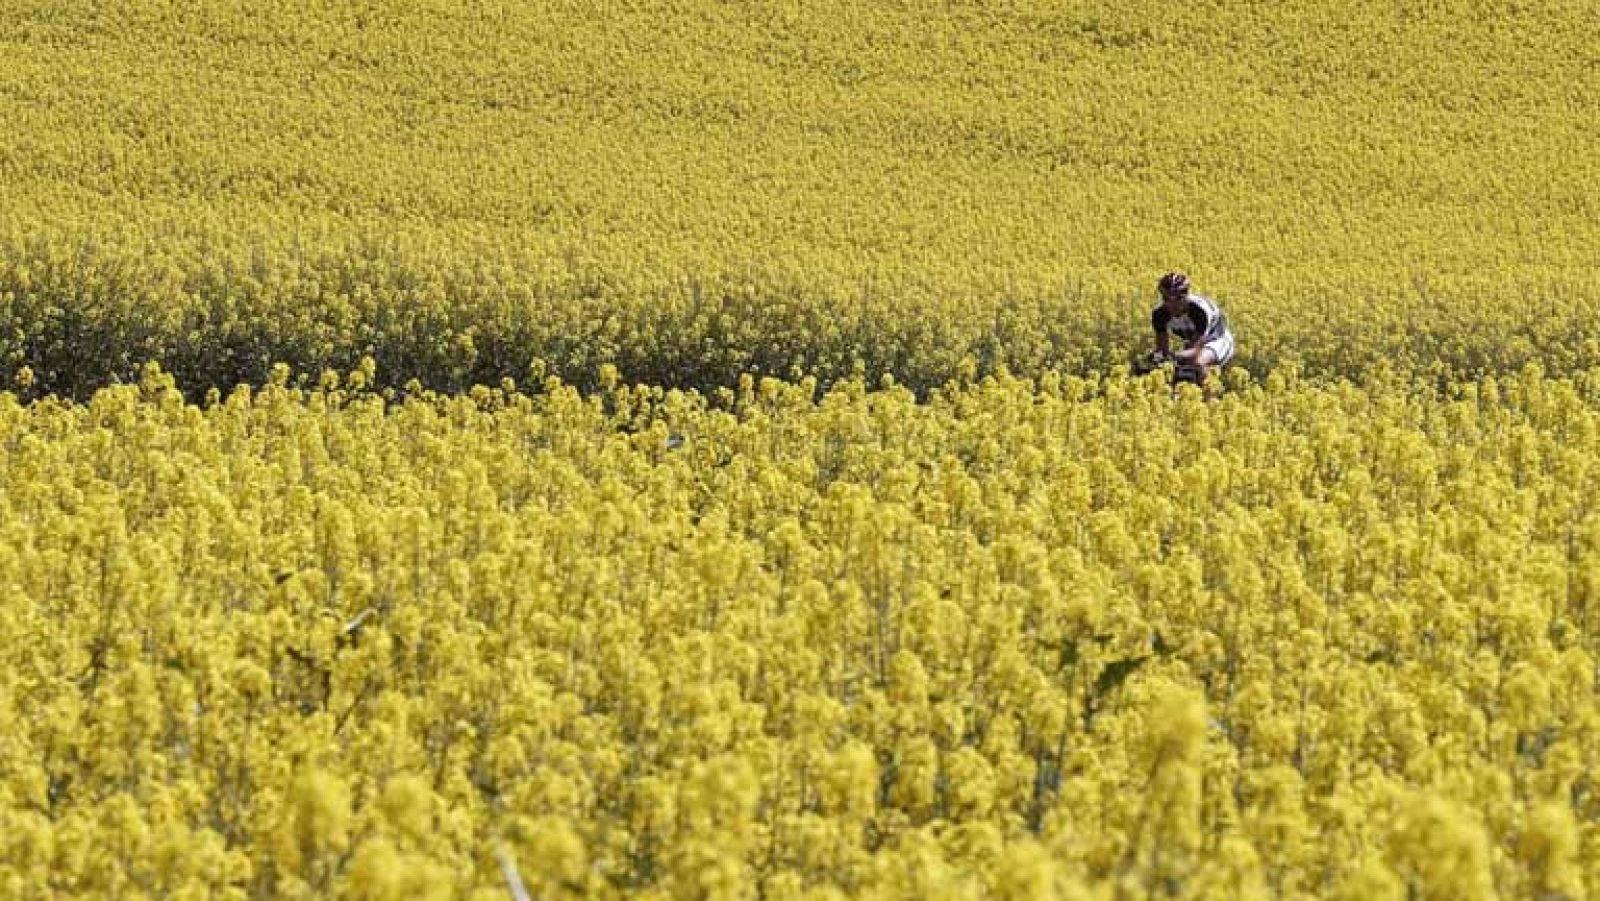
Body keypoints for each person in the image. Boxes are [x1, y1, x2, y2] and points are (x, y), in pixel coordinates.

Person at [1146, 271, 1235, 386]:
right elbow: (1162, 348)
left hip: (1217, 339)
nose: (1172, 303)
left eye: (1178, 298)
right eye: (1166, 298)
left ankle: (1207, 398)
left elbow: (1195, 350)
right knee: (1167, 366)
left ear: (1187, 296)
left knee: (1197, 362)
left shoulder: (1199, 311)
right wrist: (1157, 357)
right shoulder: (1160, 314)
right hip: (1193, 341)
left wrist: (1173, 356)